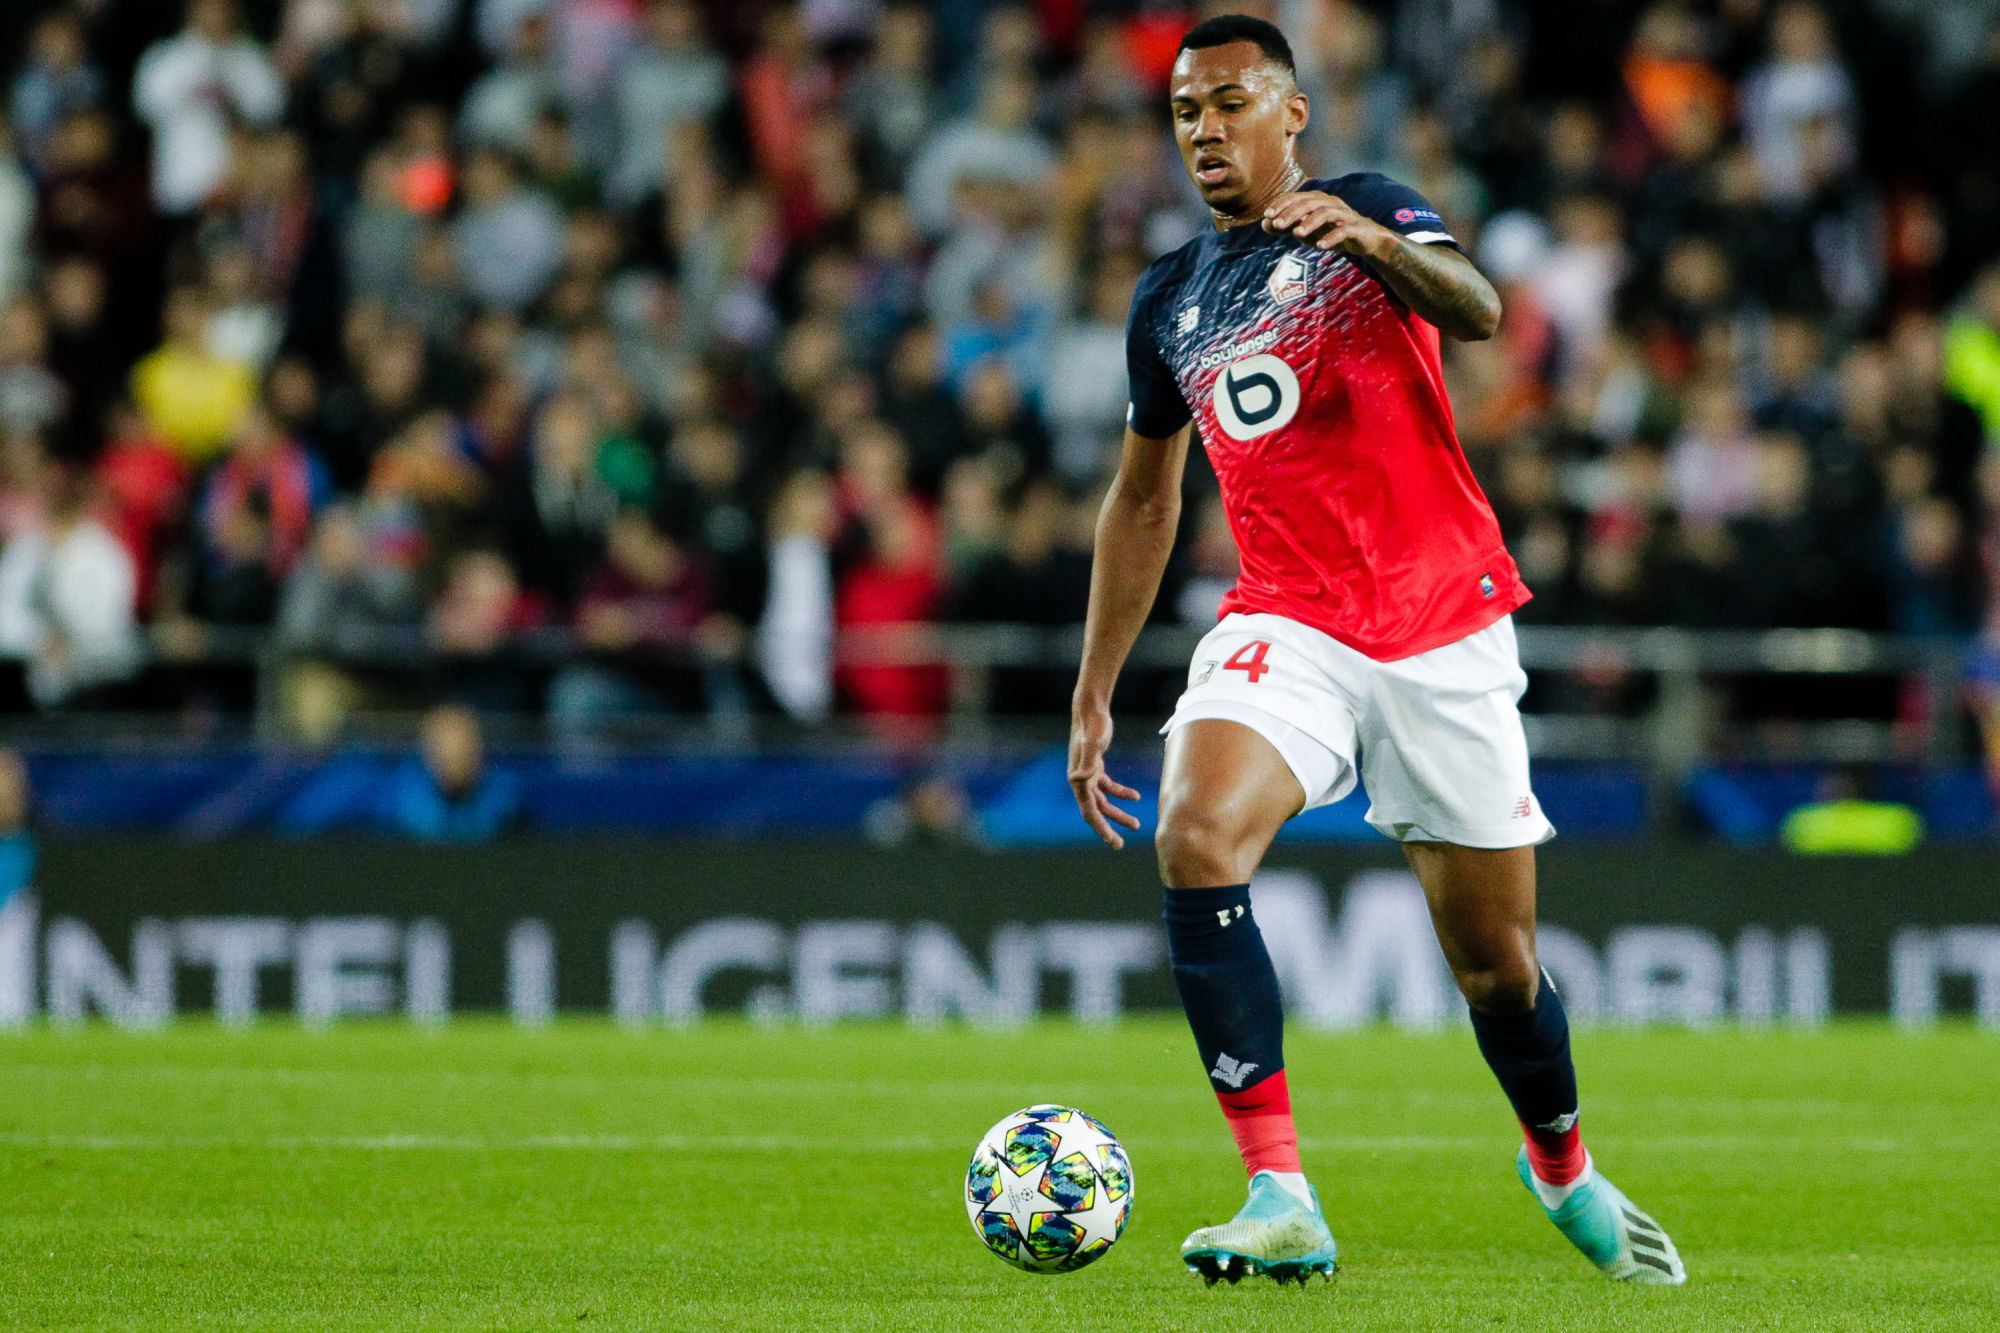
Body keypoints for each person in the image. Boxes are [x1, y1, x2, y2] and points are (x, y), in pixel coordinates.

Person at [1065, 17, 1685, 1287]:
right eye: (1184, 112)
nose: (1203, 130)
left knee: (1497, 971)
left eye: (1228, 103)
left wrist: (1375, 244)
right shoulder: (1169, 298)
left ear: (1289, 113)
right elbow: (1141, 502)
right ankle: (1277, 1190)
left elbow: (1476, 307)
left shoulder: (1366, 208)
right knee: (1195, 832)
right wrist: (1092, 688)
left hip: (1439, 624)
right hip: (1286, 616)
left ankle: (1558, 1162)